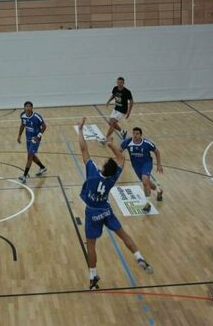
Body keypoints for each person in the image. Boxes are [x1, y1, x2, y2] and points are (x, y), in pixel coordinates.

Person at [77, 117, 153, 290]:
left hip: (92, 212)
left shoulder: (92, 173)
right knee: (123, 235)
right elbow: (121, 159)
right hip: (106, 209)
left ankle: (93, 276)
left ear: (103, 168)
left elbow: (83, 149)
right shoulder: (112, 178)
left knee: (91, 246)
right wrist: (111, 145)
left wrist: (80, 130)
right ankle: (139, 256)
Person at [120, 127, 163, 213]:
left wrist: (159, 164)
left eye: (137, 134)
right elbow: (119, 151)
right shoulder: (128, 142)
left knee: (144, 181)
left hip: (146, 164)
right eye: (134, 133)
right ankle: (159, 190)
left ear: (141, 135)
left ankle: (147, 204)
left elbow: (157, 151)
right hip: (136, 166)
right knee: (147, 183)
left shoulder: (146, 143)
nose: (135, 135)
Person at [17, 101, 47, 183]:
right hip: (28, 139)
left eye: (29, 106)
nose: (28, 108)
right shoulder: (23, 115)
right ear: (24, 108)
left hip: (35, 139)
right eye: (26, 106)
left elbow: (44, 126)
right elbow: (23, 125)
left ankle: (24, 176)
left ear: (32, 108)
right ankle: (42, 167)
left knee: (29, 157)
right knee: (32, 156)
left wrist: (38, 136)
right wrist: (19, 135)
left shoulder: (37, 116)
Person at [104, 77, 133, 142]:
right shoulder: (115, 88)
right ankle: (123, 132)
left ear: (123, 83)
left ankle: (106, 138)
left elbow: (131, 102)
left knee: (113, 123)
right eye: (118, 82)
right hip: (116, 108)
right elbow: (113, 95)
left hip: (122, 110)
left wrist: (128, 112)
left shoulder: (127, 92)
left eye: (121, 83)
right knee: (110, 122)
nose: (119, 84)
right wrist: (108, 101)